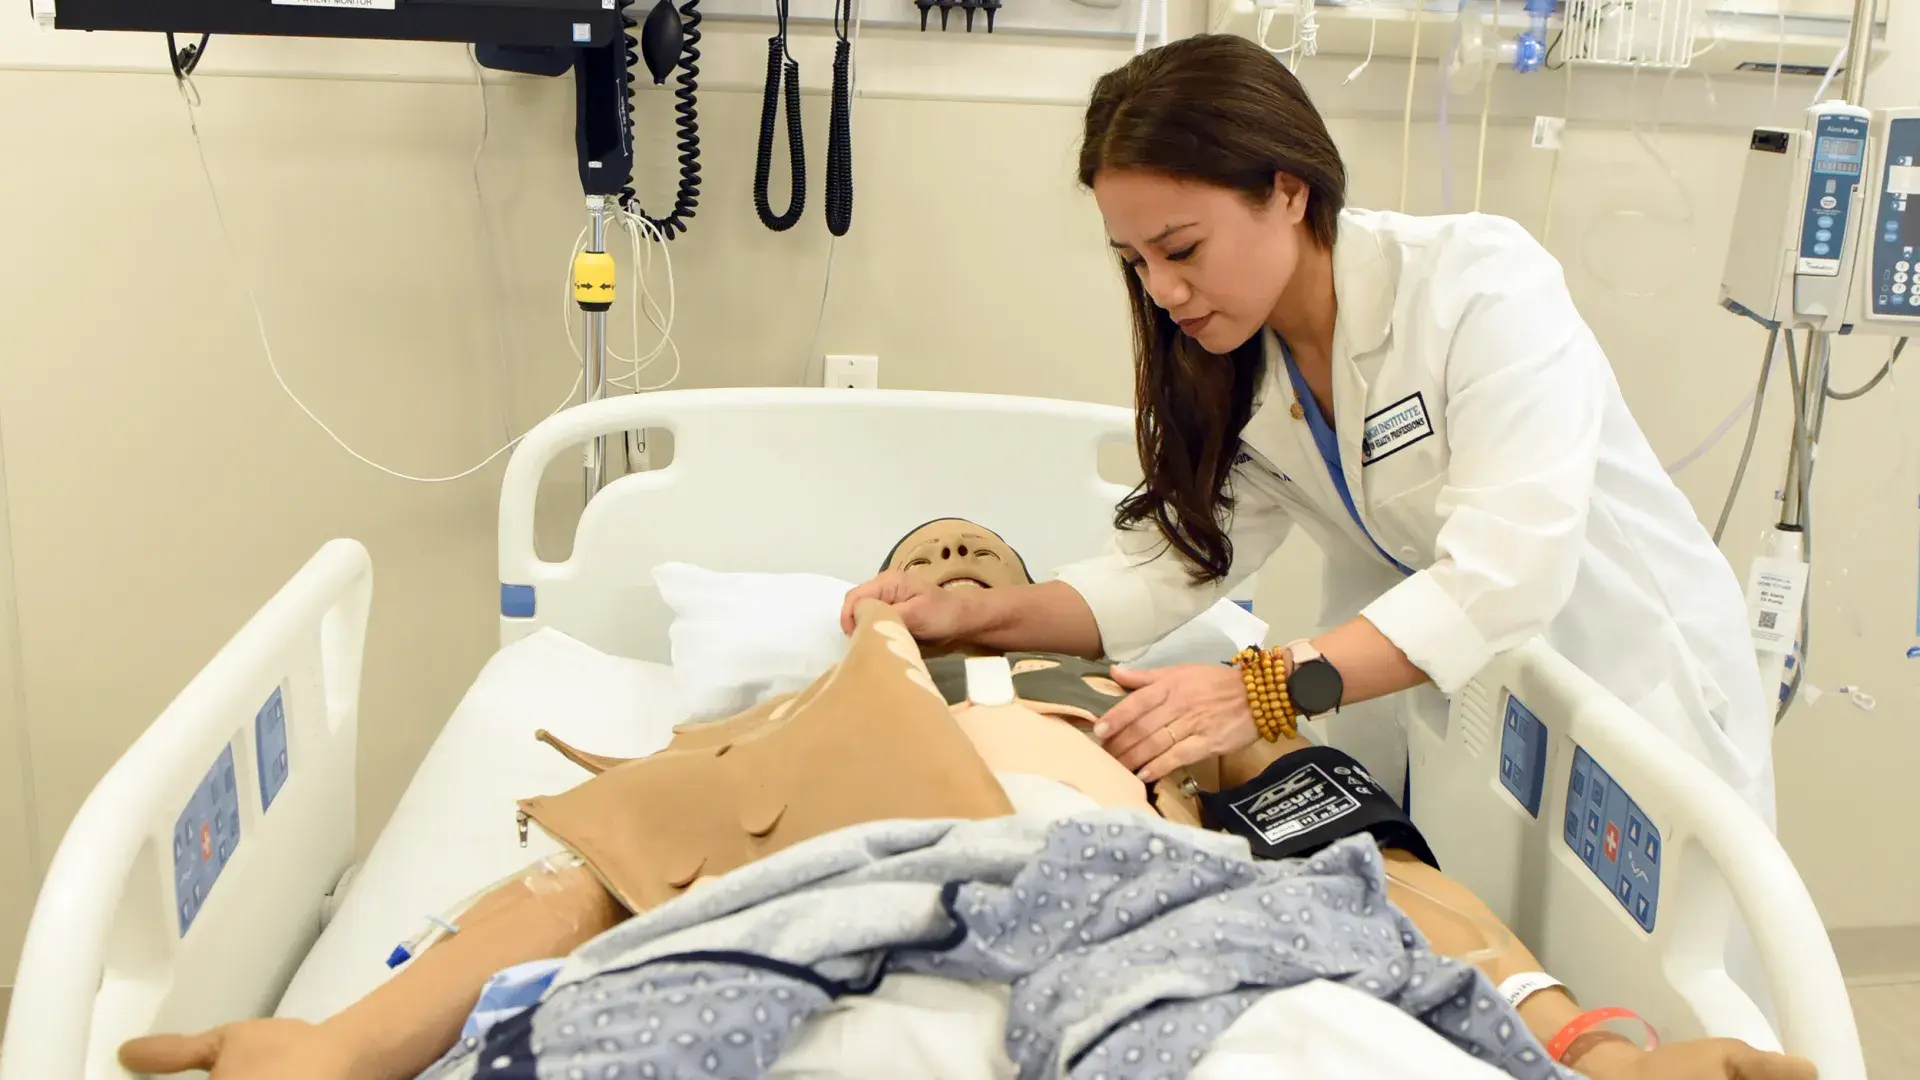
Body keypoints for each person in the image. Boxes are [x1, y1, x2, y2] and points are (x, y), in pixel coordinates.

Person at [118, 593, 1810, 1080]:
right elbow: (582, 889)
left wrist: (1577, 1036)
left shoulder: (1172, 720)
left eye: (968, 560)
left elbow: (1387, 887)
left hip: (1169, 935)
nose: (932, 581)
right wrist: (335, 1049)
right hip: (827, 941)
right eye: (907, 562)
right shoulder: (774, 720)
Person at [838, 34, 1771, 823]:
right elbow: (1167, 573)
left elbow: (1507, 573)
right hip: (1465, 715)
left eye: (1183, 248)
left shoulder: (1478, 290)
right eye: (1135, 262)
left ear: (1288, 191)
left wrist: (1260, 690)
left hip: (1632, 684)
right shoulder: (1245, 366)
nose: (1162, 292)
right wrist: (976, 614)